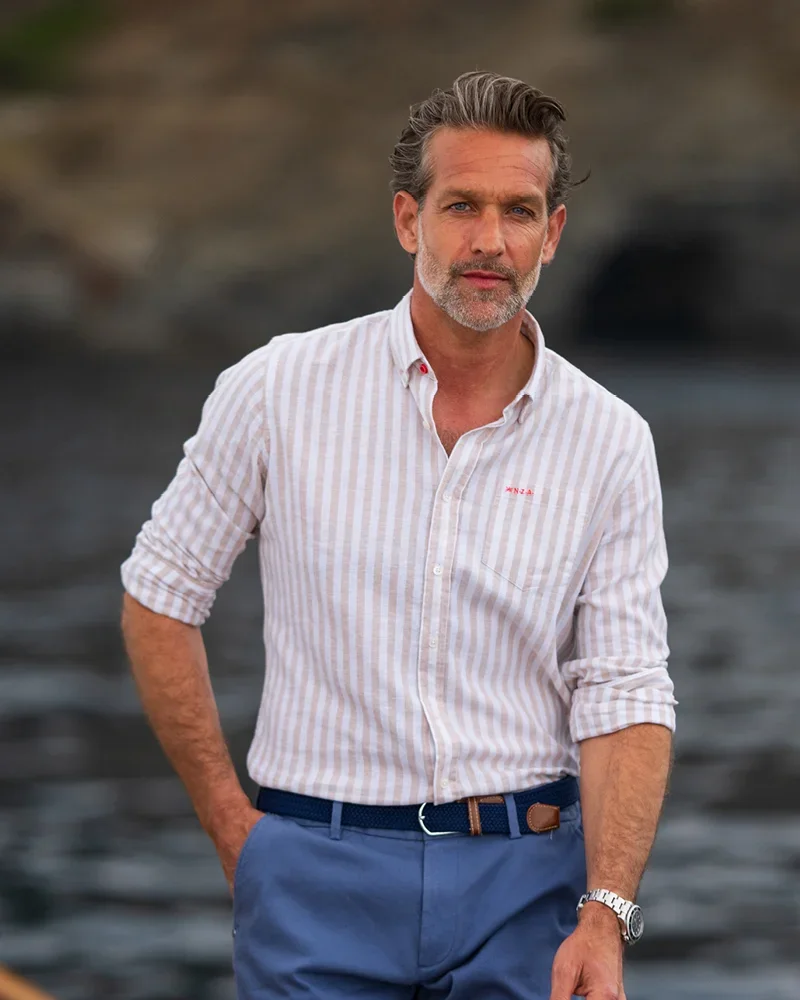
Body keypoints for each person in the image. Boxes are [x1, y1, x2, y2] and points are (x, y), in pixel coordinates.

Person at [120, 71, 676, 1000]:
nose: (489, 240)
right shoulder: (277, 389)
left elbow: (624, 688)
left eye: (518, 211)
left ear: (553, 234)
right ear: (408, 219)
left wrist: (605, 913)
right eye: (462, 206)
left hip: (526, 885)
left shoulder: (611, 439)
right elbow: (159, 597)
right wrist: (232, 826)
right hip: (312, 875)